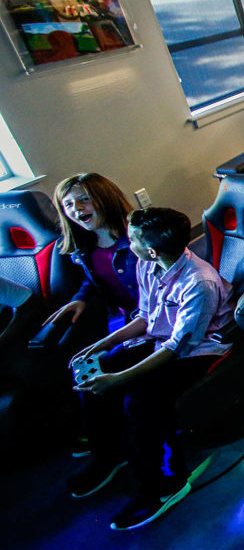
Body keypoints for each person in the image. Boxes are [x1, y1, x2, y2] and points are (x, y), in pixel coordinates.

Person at [67, 207, 234, 531]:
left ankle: (165, 484)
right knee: (97, 371)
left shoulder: (199, 283)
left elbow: (178, 348)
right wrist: (102, 346)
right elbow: (145, 317)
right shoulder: (146, 263)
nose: (128, 243)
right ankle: (109, 454)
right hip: (160, 338)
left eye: (133, 239)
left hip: (197, 351)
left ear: (152, 248)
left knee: (141, 401)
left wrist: (118, 379)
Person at [45, 173, 138, 343]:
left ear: (107, 199)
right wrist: (80, 298)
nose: (77, 208)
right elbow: (95, 279)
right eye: (68, 204)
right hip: (130, 319)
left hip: (159, 316)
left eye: (85, 199)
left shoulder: (140, 236)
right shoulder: (84, 249)